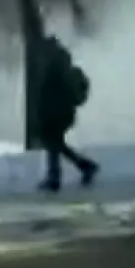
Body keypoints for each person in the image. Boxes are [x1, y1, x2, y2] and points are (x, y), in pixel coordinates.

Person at [36, 35, 99, 193]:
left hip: (58, 113)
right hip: (62, 113)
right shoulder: (60, 63)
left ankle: (57, 177)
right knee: (56, 145)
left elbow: (52, 92)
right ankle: (83, 167)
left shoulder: (55, 66)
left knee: (54, 144)